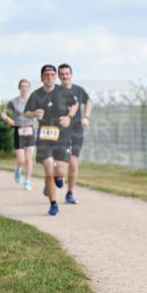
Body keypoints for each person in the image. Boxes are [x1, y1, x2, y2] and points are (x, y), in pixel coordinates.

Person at [25, 65, 77, 216]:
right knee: (48, 167)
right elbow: (27, 112)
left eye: (52, 74)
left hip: (63, 136)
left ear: (55, 77)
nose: (49, 77)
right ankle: (53, 204)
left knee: (60, 170)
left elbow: (74, 105)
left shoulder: (64, 92)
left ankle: (56, 177)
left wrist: (69, 117)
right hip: (44, 137)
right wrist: (34, 113)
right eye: (46, 75)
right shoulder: (36, 95)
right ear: (41, 78)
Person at [57, 63, 91, 204]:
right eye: (62, 74)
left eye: (67, 73)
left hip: (76, 129)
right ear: (59, 76)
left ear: (71, 75)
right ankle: (55, 177)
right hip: (59, 131)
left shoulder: (79, 90)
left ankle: (70, 193)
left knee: (73, 164)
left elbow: (88, 102)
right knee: (59, 164)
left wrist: (86, 117)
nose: (65, 76)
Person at [4, 79, 36, 190]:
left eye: (27, 86)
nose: (25, 88)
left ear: (29, 88)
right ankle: (18, 169)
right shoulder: (13, 102)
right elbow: (3, 113)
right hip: (18, 131)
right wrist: (7, 119)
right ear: (19, 88)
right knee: (21, 160)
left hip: (30, 130)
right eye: (22, 86)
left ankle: (27, 181)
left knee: (29, 159)